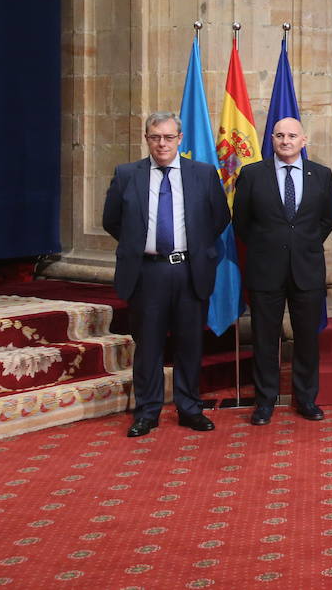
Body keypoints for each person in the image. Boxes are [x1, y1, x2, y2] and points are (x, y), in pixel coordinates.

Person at [102, 111, 231, 437]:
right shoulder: (127, 174)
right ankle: (147, 412)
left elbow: (219, 218)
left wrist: (197, 249)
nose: (162, 143)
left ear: (180, 139)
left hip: (189, 270)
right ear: (146, 138)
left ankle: (189, 408)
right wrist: (140, 245)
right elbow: (112, 220)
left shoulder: (203, 174)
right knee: (149, 347)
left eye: (168, 137)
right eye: (155, 137)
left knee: (190, 344)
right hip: (148, 273)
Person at [232, 117, 332, 425]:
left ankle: (306, 399)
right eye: (280, 136)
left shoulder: (320, 175)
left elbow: (327, 219)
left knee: (306, 338)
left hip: (306, 269)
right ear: (272, 140)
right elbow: (241, 222)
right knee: (265, 339)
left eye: (292, 136)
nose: (286, 141)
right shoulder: (252, 174)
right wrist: (269, 246)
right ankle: (265, 402)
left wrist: (301, 244)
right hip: (266, 269)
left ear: (303, 140)